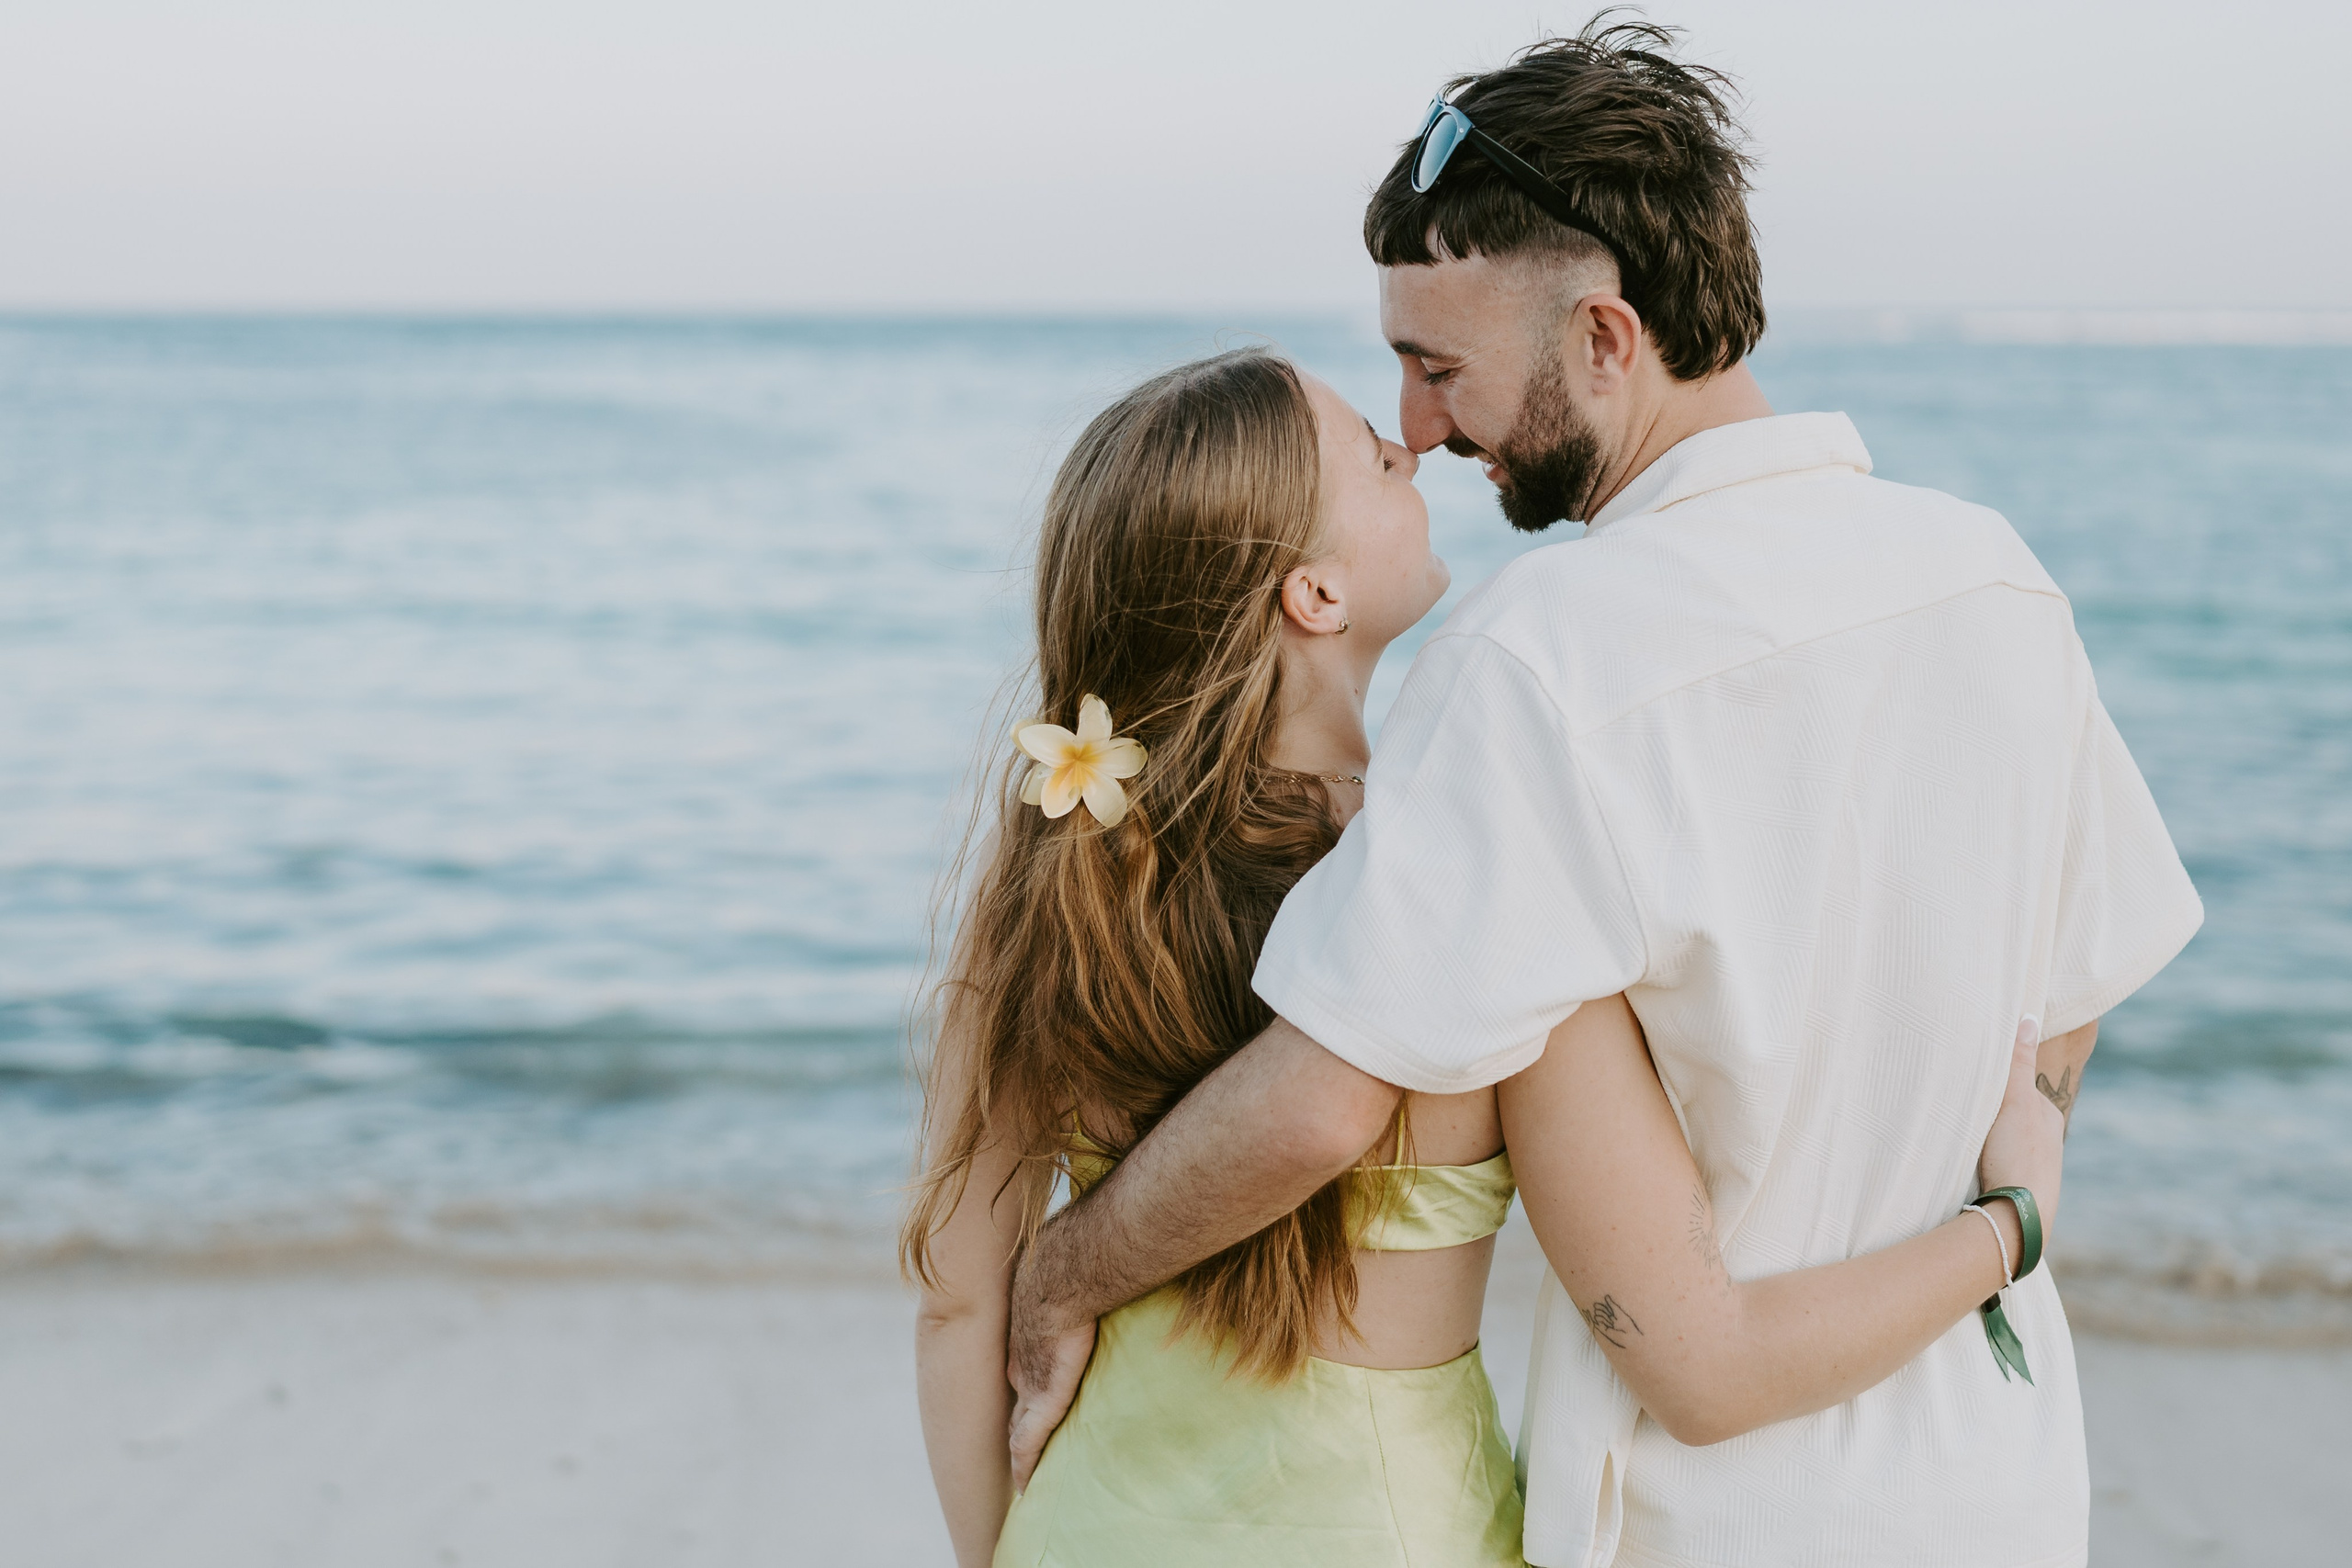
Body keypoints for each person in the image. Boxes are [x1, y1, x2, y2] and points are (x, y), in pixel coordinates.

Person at [1002, 22, 2203, 1568]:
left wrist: (1066, 1274)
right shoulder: (1996, 577)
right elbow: (2072, 993)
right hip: (2003, 1490)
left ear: (1604, 339)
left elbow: (1323, 1090)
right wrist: (2009, 1187)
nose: (1422, 429)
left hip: (1715, 1524)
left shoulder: (1533, 662)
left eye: (1440, 370)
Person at [905, 345, 2070, 1568]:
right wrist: (2010, 1221)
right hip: (1390, 1532)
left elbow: (953, 1301)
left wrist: (1006, 1548)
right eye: (1370, 448)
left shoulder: (1061, 879)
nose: (1410, 447)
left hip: (1089, 1525)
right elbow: (1700, 1351)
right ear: (1314, 597)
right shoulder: (1489, 892)